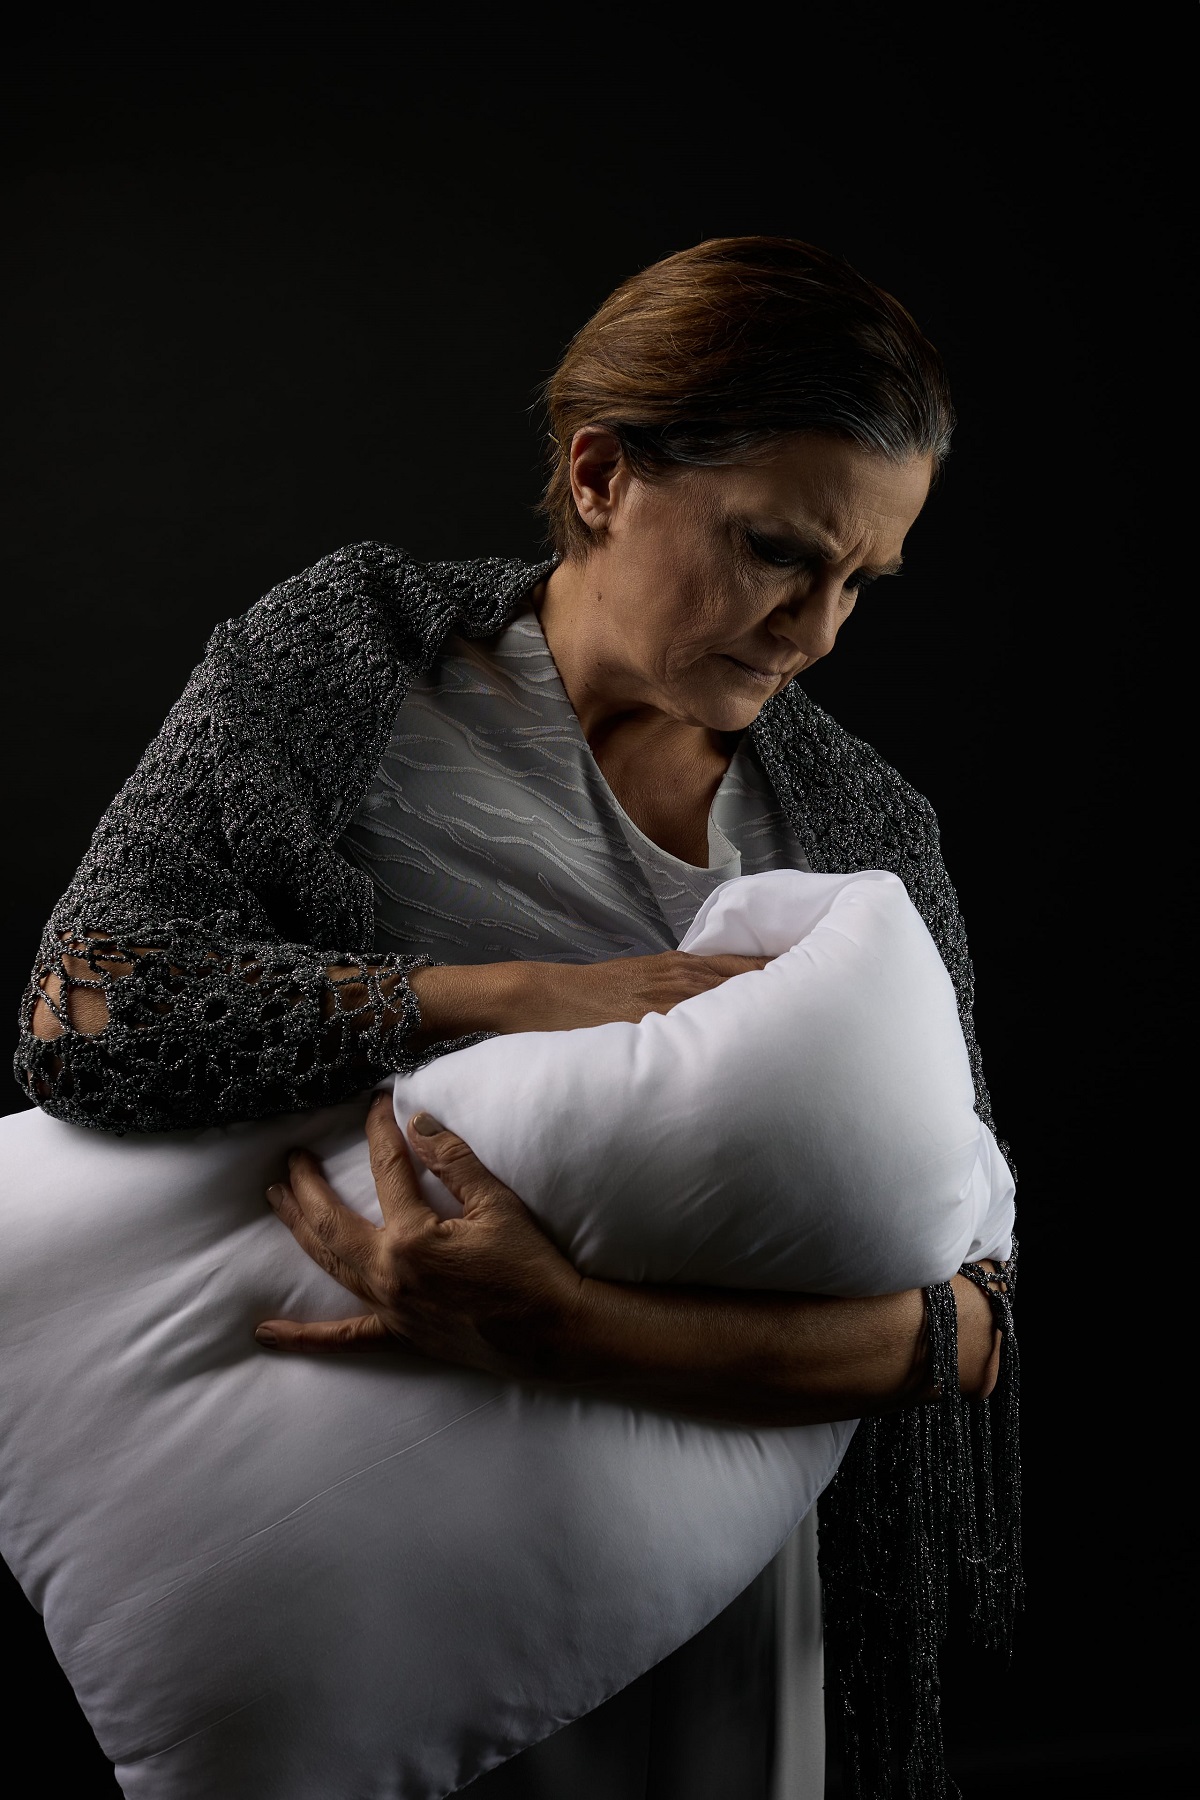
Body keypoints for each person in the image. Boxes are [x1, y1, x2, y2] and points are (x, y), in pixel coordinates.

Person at [15, 237, 1018, 1798]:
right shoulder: (356, 662)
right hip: (360, 1560)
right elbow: (84, 1014)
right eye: (776, 551)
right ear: (602, 474)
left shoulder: (868, 834)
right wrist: (516, 999)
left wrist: (580, 1330)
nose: (816, 630)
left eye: (858, 584)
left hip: (722, 1595)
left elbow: (980, 1314)